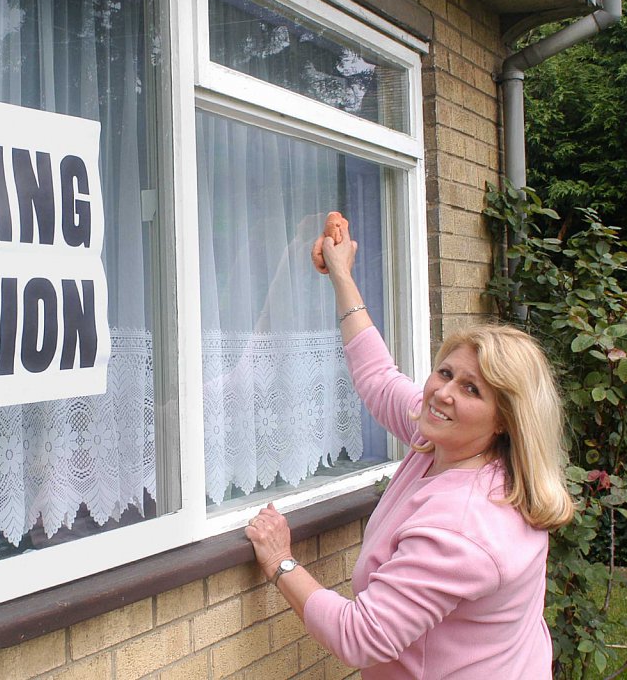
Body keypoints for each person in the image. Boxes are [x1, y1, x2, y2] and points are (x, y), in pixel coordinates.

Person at [244, 217, 575, 679]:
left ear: (505, 420)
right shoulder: (442, 439)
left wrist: (280, 560)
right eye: (445, 373)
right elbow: (378, 377)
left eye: (472, 390)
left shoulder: (463, 526)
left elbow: (359, 637)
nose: (444, 394)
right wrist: (341, 274)